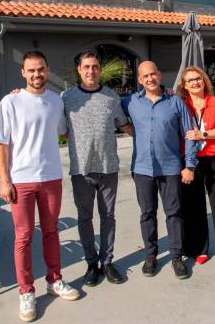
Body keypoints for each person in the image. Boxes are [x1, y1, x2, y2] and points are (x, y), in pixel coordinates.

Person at [0, 51, 79, 323]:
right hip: (22, 180)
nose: (36, 74)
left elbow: (64, 130)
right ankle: (26, 292)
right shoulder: (11, 101)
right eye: (31, 70)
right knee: (24, 237)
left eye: (41, 69)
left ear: (47, 69)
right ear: (23, 72)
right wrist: (4, 180)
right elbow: (2, 145)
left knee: (51, 232)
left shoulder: (55, 101)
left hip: (51, 177)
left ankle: (55, 280)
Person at [61, 50, 134, 287]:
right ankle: (91, 263)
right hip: (80, 170)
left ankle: (107, 261)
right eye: (86, 67)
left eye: (95, 67)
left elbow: (124, 125)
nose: (91, 71)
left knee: (108, 217)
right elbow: (45, 111)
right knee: (85, 218)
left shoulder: (111, 97)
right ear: (79, 70)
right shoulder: (66, 97)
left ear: (100, 70)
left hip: (108, 167)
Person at [121, 61, 198, 279]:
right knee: (147, 214)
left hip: (170, 167)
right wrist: (125, 127)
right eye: (145, 76)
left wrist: (189, 165)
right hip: (142, 168)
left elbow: (190, 133)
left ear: (159, 74)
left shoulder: (175, 101)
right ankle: (150, 256)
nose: (150, 79)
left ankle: (176, 256)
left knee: (173, 213)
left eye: (153, 74)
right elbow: (109, 107)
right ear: (139, 79)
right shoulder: (131, 101)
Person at [177, 66, 215, 275]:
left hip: (214, 159)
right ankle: (199, 248)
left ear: (204, 81)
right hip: (190, 162)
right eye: (190, 80)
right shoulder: (181, 105)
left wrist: (202, 134)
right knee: (194, 208)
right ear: (184, 86)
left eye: (198, 79)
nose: (195, 83)